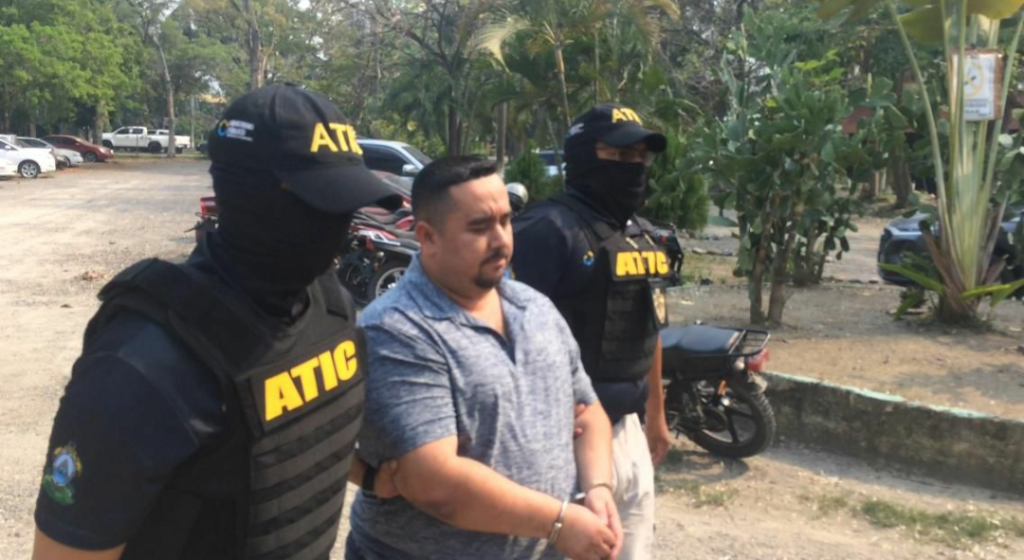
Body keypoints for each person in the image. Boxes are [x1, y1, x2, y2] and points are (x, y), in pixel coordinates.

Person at [31, 84, 402, 560]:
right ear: (247, 198)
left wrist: (369, 478)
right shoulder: (142, 366)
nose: (336, 226)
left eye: (344, 206)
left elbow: (295, 438)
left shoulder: (328, 305)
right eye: (320, 206)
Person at [347, 155, 622, 560]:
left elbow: (588, 412)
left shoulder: (534, 307)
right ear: (428, 237)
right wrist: (558, 522)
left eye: (506, 221)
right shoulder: (397, 329)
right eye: (479, 227)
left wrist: (597, 488)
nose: (501, 240)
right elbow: (435, 483)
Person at [512, 104, 673, 560]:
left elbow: (649, 326)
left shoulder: (641, 235)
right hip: (561, 442)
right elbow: (504, 338)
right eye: (619, 155)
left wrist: (656, 414)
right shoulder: (544, 230)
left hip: (627, 431)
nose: (633, 166)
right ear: (584, 157)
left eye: (640, 156)